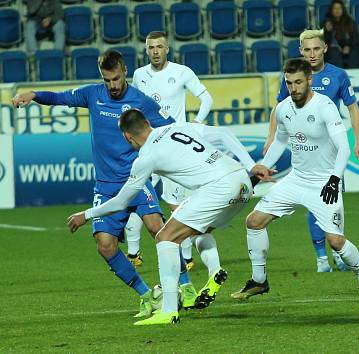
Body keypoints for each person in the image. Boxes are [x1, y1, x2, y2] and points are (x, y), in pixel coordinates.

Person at [11, 50, 197, 318]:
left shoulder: (140, 101)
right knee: (105, 245)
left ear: (125, 72)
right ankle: (148, 295)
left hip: (136, 179)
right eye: (107, 80)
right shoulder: (92, 95)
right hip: (106, 185)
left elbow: (168, 127)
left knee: (158, 228)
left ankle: (185, 285)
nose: (112, 85)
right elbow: (60, 98)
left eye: (117, 79)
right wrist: (34, 95)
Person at [67, 109, 273, 325]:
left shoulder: (146, 157)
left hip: (218, 188)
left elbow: (121, 202)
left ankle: (168, 310)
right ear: (147, 122)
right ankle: (210, 273)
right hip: (243, 183)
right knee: (195, 233)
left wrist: (86, 214)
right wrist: (252, 166)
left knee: (165, 237)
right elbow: (223, 134)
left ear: (127, 136)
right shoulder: (177, 126)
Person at [231, 58, 359, 301]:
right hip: (296, 179)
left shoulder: (325, 107)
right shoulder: (283, 109)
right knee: (254, 221)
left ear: (310, 79)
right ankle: (259, 280)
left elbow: (344, 148)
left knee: (336, 241)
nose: (294, 88)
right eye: (289, 83)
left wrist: (334, 180)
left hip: (324, 183)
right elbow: (280, 141)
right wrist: (263, 167)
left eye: (298, 82)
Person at [263, 29, 359, 273]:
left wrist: (358, 141)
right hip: (305, 153)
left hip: (330, 154)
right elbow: (278, 108)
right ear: (301, 51)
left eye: (316, 49)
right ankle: (321, 256)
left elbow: (353, 109)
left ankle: (338, 253)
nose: (312, 54)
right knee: (312, 203)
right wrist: (271, 138)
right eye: (307, 49)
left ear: (325, 49)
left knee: (332, 203)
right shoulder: (293, 77)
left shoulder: (338, 76)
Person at [124, 31, 214, 271]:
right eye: (151, 47)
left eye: (159, 46)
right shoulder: (139, 75)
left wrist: (197, 122)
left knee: (179, 205)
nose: (155, 51)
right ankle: (133, 253)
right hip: (149, 146)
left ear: (167, 49)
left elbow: (206, 99)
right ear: (146, 50)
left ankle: (185, 256)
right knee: (137, 195)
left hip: (175, 148)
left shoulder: (182, 72)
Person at [322, 0, 359, 69]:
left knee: (355, 50)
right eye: (335, 8)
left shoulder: (349, 21)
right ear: (331, 10)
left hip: (348, 46)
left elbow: (356, 38)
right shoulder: (327, 22)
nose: (337, 10)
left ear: (343, 10)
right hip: (334, 48)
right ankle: (339, 74)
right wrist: (327, 31)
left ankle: (354, 72)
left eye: (339, 8)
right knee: (334, 51)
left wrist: (348, 46)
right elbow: (324, 41)